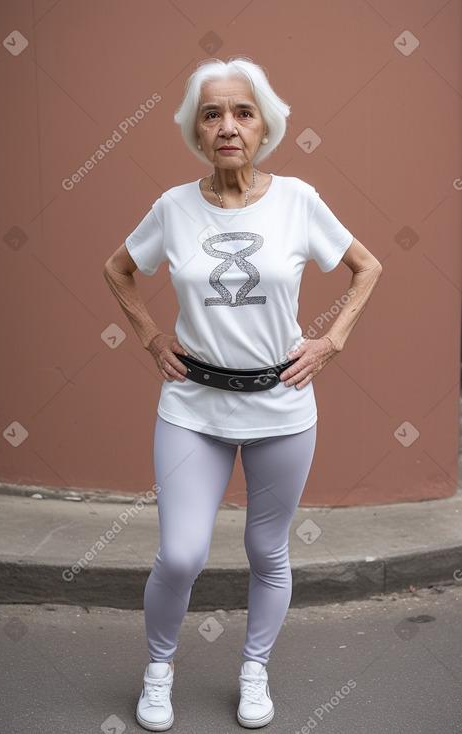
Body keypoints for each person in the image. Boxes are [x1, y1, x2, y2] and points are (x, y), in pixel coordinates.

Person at [103, 56, 382, 731]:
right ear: (196, 132)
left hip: (281, 406)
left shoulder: (297, 200)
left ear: (264, 127)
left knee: (267, 552)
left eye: (241, 112)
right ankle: (159, 669)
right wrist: (149, 336)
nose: (227, 125)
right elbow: (117, 268)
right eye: (211, 114)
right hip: (193, 405)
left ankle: (253, 669)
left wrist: (331, 340)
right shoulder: (172, 207)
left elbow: (366, 266)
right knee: (181, 554)